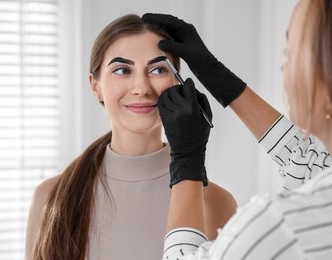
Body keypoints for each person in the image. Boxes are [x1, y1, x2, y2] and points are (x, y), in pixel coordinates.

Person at [143, 0, 332, 258]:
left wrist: (187, 160)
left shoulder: (281, 226)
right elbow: (310, 160)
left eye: (290, 54)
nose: (283, 68)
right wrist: (217, 75)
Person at [24, 14, 238, 260]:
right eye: (122, 70)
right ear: (96, 87)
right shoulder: (50, 198)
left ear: (177, 83)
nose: (141, 88)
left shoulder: (217, 203)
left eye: (158, 69)